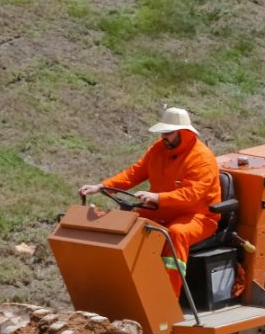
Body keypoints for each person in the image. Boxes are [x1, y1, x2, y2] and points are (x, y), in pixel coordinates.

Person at [79, 107, 221, 297]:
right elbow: (133, 174)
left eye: (168, 133)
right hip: (161, 209)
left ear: (184, 133)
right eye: (163, 133)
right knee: (127, 223)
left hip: (199, 216)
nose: (164, 137)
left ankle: (167, 299)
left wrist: (158, 197)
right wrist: (102, 187)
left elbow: (192, 195)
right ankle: (124, 287)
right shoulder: (158, 149)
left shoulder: (202, 159)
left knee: (176, 234)